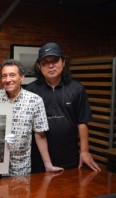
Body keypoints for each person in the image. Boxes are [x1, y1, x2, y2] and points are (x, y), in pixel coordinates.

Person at [25, 42, 101, 173]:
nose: (50, 66)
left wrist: (84, 151)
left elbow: (82, 122)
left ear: (63, 62)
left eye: (55, 61)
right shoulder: (30, 91)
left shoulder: (77, 89)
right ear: (39, 66)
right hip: (38, 159)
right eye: (45, 62)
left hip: (69, 157)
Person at [0, 59, 63, 176]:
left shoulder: (35, 100)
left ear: (22, 77)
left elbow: (40, 135)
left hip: (21, 168)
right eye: (4, 76)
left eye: (12, 75)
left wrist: (48, 165)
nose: (8, 80)